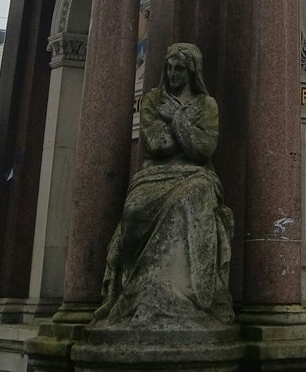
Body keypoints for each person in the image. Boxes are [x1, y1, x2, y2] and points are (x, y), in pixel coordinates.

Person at [96, 43, 233, 328]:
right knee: (133, 209)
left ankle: (185, 295)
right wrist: (185, 133)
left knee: (190, 198)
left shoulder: (207, 105)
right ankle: (138, 292)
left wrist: (175, 121)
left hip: (197, 176)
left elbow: (204, 149)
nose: (173, 74)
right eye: (169, 68)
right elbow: (158, 144)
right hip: (154, 174)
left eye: (180, 68)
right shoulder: (152, 101)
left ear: (192, 71)